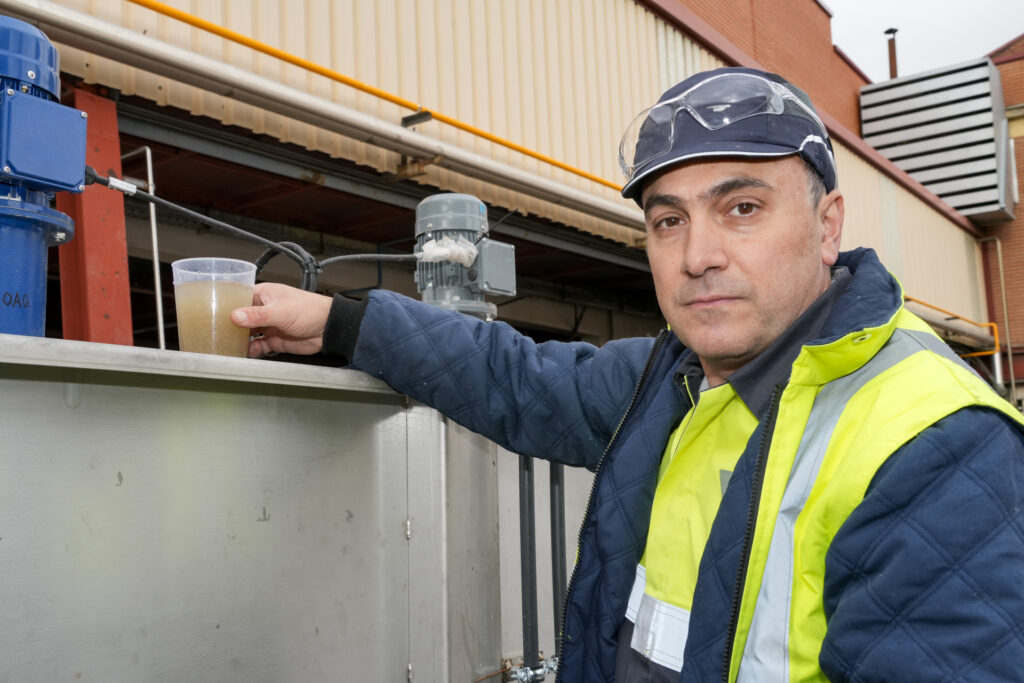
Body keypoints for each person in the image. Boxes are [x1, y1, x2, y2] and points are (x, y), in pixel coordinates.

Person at [231, 67, 1024, 682]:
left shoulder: (937, 445)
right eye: (668, 220)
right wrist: (339, 322)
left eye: (741, 207)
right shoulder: (673, 379)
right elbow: (515, 377)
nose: (698, 254)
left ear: (827, 226)